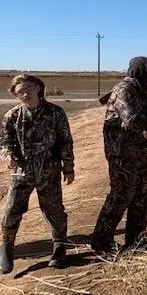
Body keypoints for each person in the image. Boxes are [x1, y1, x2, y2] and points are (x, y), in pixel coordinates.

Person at [0, 75, 75, 273]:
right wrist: (7, 155)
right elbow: (5, 142)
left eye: (28, 89)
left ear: (38, 88)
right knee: (11, 213)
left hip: (49, 172)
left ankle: (59, 247)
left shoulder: (55, 113)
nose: (24, 95)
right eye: (19, 93)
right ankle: (6, 250)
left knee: (54, 211)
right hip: (21, 173)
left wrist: (68, 166)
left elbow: (65, 141)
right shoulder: (12, 116)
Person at [91, 56, 147, 253]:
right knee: (121, 194)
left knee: (146, 190)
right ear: (140, 70)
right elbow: (132, 119)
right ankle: (101, 241)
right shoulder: (124, 90)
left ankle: (136, 238)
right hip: (123, 154)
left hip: (141, 152)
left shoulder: (141, 91)